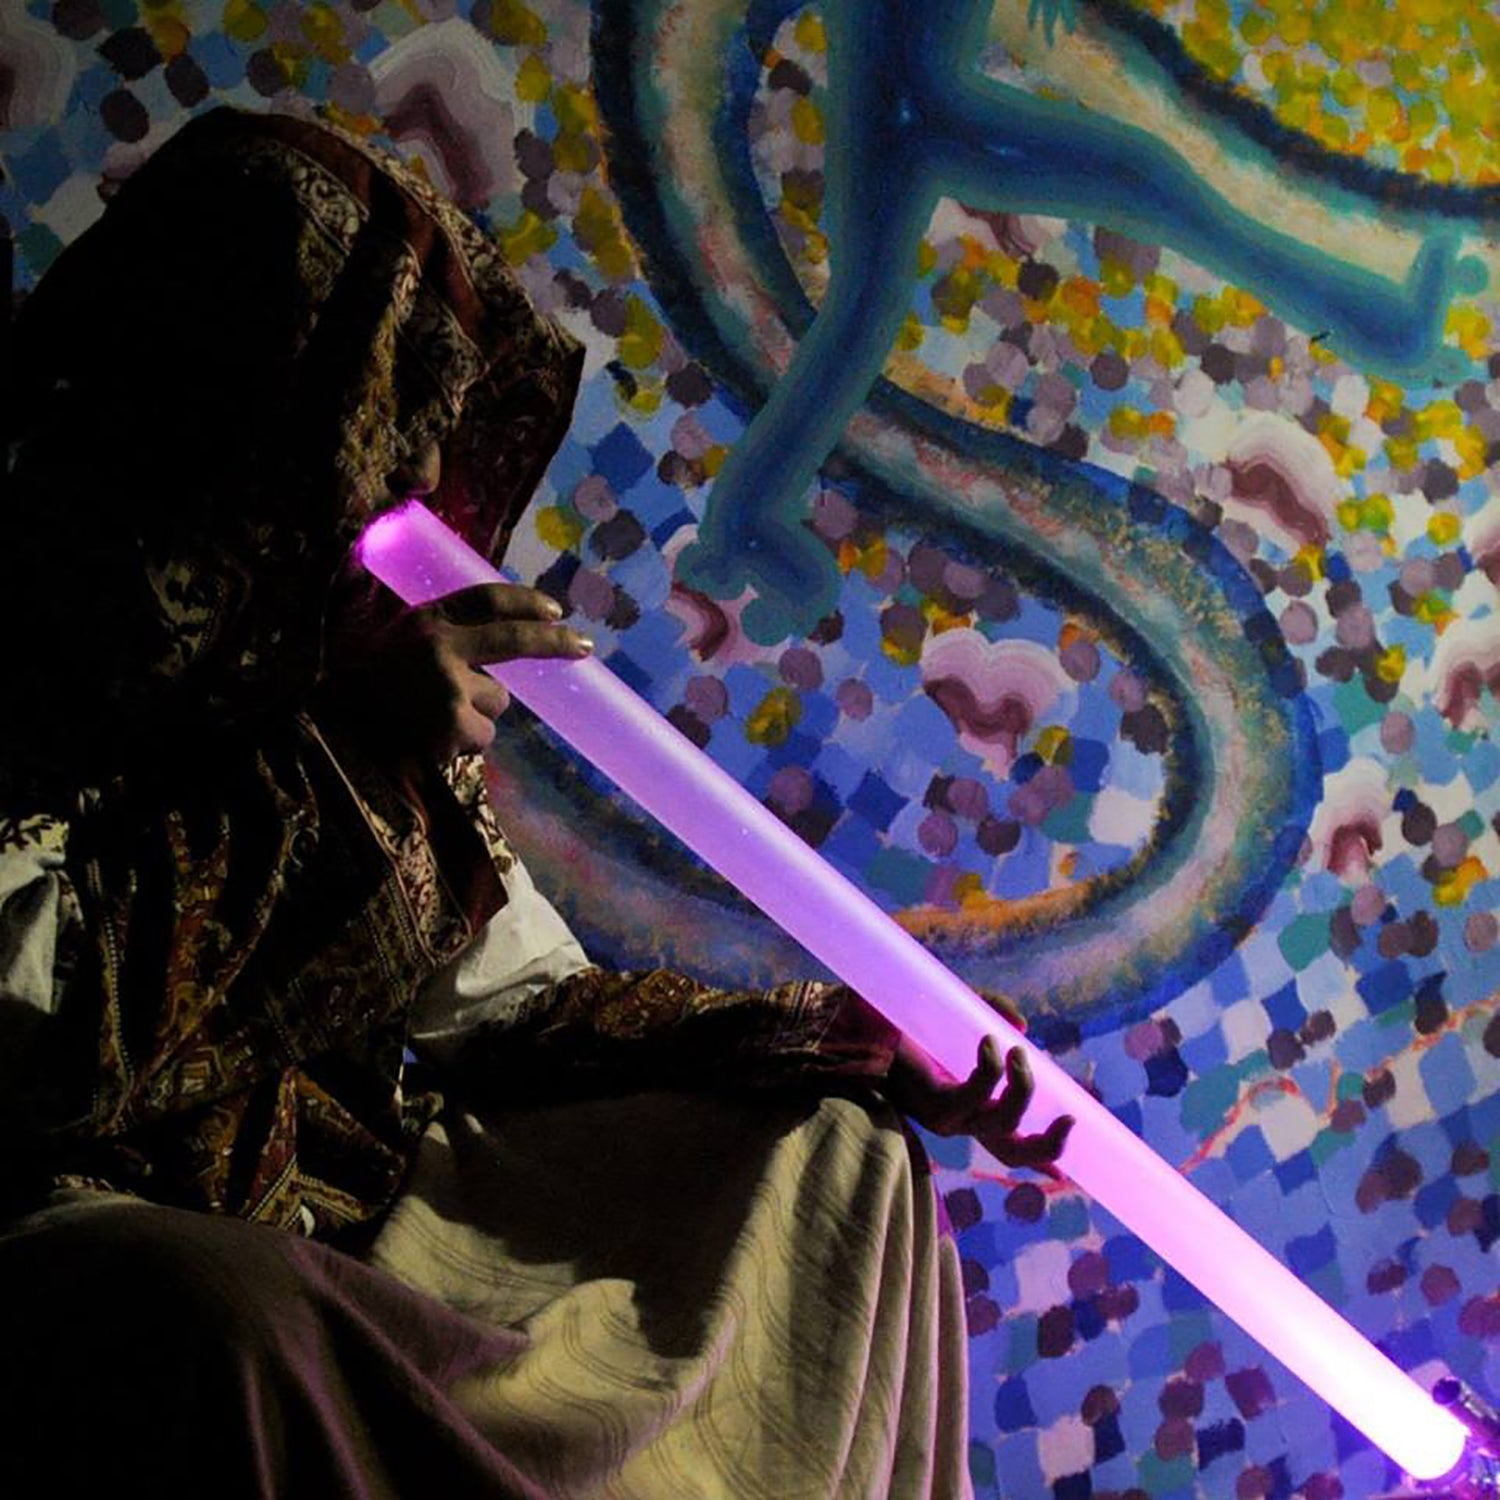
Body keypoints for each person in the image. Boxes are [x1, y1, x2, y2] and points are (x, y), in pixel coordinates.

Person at [0, 106, 1069, 1497]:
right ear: (229, 376)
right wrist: (345, 766)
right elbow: (38, 1047)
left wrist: (844, 1042)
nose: (410, 473)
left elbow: (510, 1003)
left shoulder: (336, 665)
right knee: (220, 1319)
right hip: (68, 1220)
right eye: (368, 393)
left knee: (836, 1158)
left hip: (359, 1205)